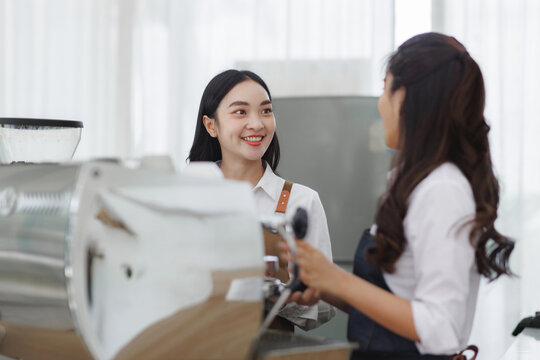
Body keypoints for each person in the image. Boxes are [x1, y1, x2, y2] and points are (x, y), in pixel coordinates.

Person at [285, 32, 515, 359]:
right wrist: (325, 284)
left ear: (404, 98)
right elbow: (395, 302)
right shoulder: (416, 182)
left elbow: (441, 329)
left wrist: (337, 278)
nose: (380, 103)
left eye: (384, 88)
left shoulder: (442, 189)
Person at [188, 69, 335, 331]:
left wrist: (276, 291)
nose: (257, 124)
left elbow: (322, 309)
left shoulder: (302, 201)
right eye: (241, 112)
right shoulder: (187, 197)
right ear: (211, 126)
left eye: (265, 111)